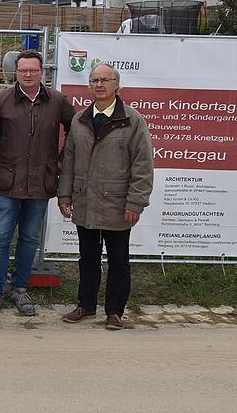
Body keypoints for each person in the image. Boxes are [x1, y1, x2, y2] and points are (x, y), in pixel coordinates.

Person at [0, 50, 75, 320]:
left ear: (42, 72)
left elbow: (76, 130)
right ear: (15, 73)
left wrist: (61, 161)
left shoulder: (57, 101)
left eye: (33, 70)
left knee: (30, 238)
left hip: (40, 185)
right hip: (6, 183)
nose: (28, 75)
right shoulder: (2, 100)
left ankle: (20, 288)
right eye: (23, 70)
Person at [58, 63, 153, 330]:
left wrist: (136, 202)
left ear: (117, 85)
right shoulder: (80, 120)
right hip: (85, 202)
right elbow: (69, 161)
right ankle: (86, 305)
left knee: (118, 260)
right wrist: (64, 196)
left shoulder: (132, 120)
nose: (99, 85)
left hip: (118, 204)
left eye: (105, 80)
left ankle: (114, 311)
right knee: (87, 257)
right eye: (94, 80)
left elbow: (143, 166)